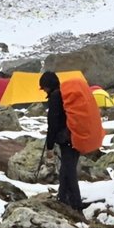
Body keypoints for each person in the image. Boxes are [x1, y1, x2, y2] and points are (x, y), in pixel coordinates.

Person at [40, 71, 83, 211]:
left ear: (48, 86)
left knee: (69, 170)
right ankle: (62, 197)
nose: (44, 90)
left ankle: (76, 204)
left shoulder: (55, 97)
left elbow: (53, 124)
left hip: (67, 139)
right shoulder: (64, 95)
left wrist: (50, 146)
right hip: (77, 134)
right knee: (66, 168)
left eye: (43, 87)